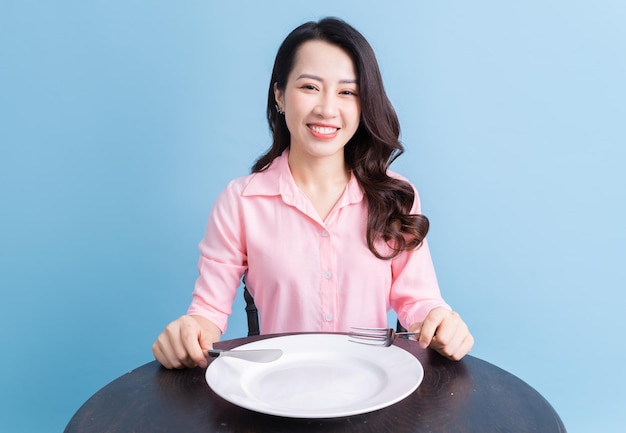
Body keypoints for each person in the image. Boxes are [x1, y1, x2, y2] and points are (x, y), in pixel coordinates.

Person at [153, 17, 474, 369]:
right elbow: (207, 314)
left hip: (376, 387)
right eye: (309, 87)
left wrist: (441, 321)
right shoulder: (240, 202)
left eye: (347, 92)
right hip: (276, 392)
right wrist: (188, 332)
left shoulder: (396, 196)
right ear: (279, 95)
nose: (326, 108)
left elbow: (420, 302)